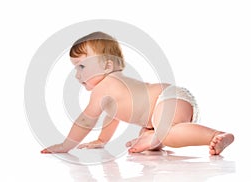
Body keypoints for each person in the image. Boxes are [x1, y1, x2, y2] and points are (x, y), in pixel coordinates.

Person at [41, 31, 234, 155]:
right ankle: (152, 139)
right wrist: (102, 140)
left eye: (82, 66)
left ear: (107, 65)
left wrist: (65, 145)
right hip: (169, 104)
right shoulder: (112, 91)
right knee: (153, 133)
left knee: (165, 133)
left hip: (166, 100)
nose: (77, 74)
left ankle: (216, 135)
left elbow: (86, 120)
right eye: (75, 68)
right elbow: (113, 116)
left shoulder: (105, 86)